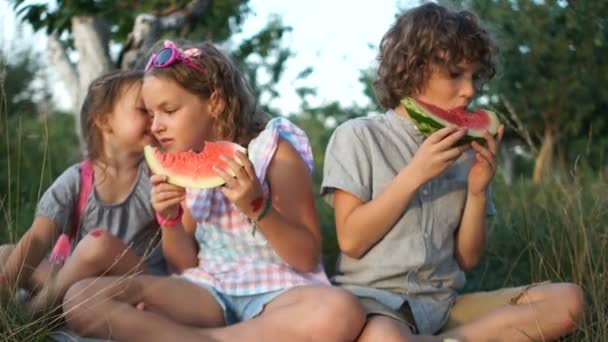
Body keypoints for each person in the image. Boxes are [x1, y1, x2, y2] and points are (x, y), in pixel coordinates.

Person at [62, 40, 365, 342]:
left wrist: (258, 206)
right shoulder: (188, 161)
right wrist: (169, 219)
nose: (156, 126)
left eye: (168, 110)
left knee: (341, 310)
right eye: (151, 114)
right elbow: (183, 266)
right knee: (80, 297)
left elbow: (306, 258)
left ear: (216, 102)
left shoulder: (273, 151)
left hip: (280, 292)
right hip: (209, 291)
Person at [320, 3, 585, 341]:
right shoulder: (358, 135)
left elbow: (467, 257)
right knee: (384, 337)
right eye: (455, 74)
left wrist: (476, 192)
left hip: (444, 305)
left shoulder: (467, 148)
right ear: (413, 70)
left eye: (475, 76)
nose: (470, 90)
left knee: (568, 301)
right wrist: (415, 174)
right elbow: (352, 241)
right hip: (378, 304)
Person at [0, 70, 166, 315]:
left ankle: (33, 317)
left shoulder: (159, 177)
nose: (155, 120)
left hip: (137, 283)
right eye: (144, 111)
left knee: (97, 245)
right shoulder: (77, 180)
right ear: (103, 121)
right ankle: (15, 308)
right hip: (79, 279)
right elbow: (38, 238)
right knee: (5, 253)